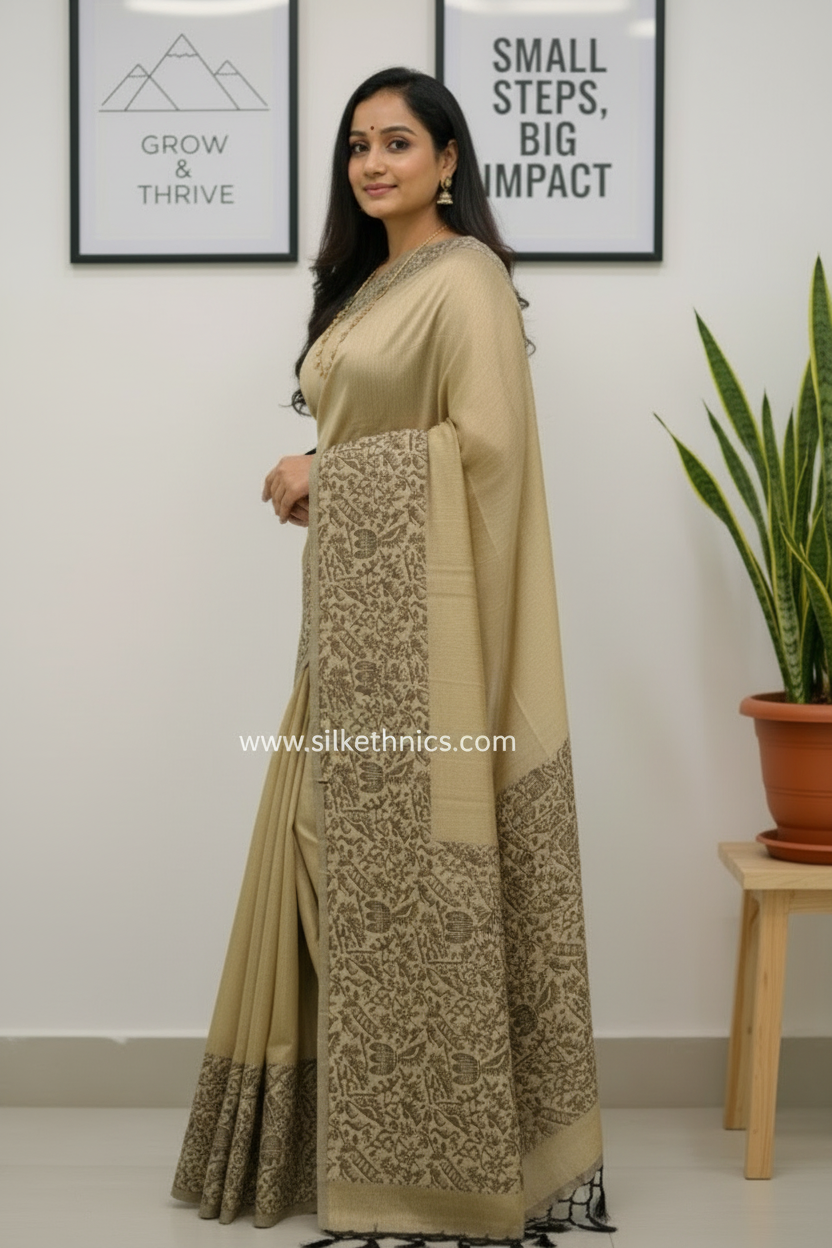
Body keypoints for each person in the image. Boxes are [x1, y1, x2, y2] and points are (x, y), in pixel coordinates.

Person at [172, 67, 608, 1243]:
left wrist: (332, 472)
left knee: (407, 871)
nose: (373, 163)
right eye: (358, 145)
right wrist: (333, 489)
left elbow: (488, 449)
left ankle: (438, 1163)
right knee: (329, 856)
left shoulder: (464, 276)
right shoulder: (372, 282)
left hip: (423, 647)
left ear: (448, 159)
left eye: (399, 142)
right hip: (351, 622)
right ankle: (345, 1146)